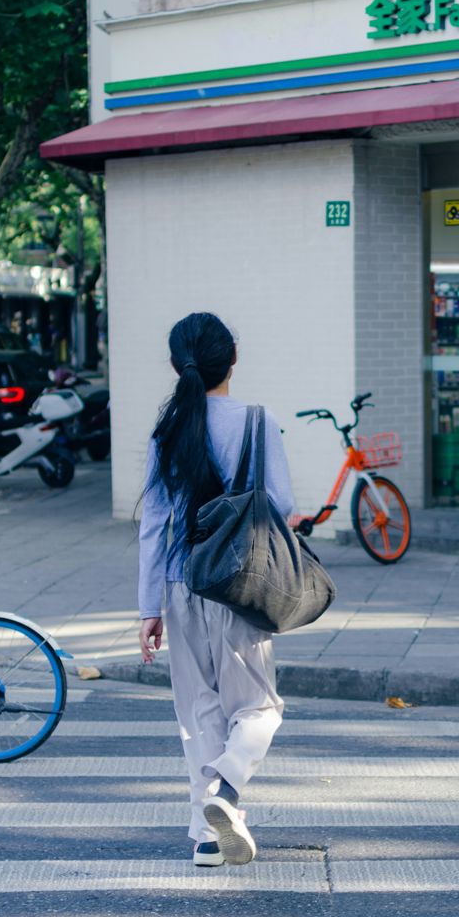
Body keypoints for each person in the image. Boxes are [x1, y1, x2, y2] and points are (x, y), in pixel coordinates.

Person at [138, 312, 293, 868]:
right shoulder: (257, 421)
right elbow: (281, 507)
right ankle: (224, 792)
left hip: (182, 585)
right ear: (233, 359)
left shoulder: (169, 430)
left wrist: (146, 607)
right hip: (240, 586)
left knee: (198, 711)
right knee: (259, 707)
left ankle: (206, 838)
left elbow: (153, 524)